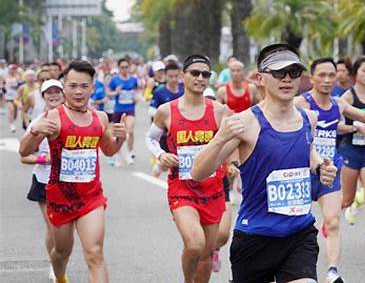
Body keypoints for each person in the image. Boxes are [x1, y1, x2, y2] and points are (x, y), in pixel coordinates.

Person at [192, 44, 337, 282]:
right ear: (260, 78)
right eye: (279, 73)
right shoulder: (245, 123)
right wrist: (220, 137)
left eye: (294, 72)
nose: (287, 79)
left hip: (299, 234)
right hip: (255, 237)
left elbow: (309, 152)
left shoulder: (309, 118)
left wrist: (321, 167)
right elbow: (198, 172)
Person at [294, 57, 365, 281]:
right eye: (321, 75)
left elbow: (363, 115)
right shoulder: (301, 103)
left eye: (331, 76)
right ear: (312, 78)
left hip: (330, 169)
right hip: (303, 172)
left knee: (335, 220)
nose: (326, 80)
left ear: (337, 77)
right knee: (298, 225)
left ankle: (333, 271)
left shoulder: (338, 103)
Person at [18, 60, 127, 283]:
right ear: (64, 86)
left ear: (93, 87)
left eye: (84, 86)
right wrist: (33, 131)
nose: (78, 91)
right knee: (61, 252)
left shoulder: (100, 118)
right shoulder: (53, 117)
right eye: (73, 85)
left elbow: (108, 150)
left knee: (94, 253)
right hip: (59, 198)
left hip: (91, 197)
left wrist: (121, 140)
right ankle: (59, 275)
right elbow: (23, 150)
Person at [145, 54, 233, 282]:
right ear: (184, 76)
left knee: (206, 254)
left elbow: (233, 143)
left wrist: (231, 163)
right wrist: (161, 155)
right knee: (194, 245)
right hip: (182, 188)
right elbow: (150, 138)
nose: (200, 78)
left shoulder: (220, 111)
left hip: (213, 189)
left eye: (205, 74)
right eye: (195, 73)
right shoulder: (166, 111)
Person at [19, 79, 65, 281]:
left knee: (65, 230)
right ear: (43, 96)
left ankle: (61, 259)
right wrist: (43, 158)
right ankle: (54, 266)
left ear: (64, 94)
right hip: (44, 180)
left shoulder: (75, 118)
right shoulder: (38, 121)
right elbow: (23, 154)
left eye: (57, 92)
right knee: (52, 226)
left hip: (70, 181)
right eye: (49, 93)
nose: (53, 96)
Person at [107, 57, 139, 163]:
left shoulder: (133, 80)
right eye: (122, 67)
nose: (124, 69)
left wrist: (136, 97)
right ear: (119, 68)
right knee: (117, 133)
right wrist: (115, 92)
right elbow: (108, 92)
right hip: (118, 109)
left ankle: (130, 152)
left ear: (129, 68)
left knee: (130, 130)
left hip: (130, 109)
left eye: (126, 67)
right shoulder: (115, 80)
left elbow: (137, 92)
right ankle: (117, 152)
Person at [5, 64, 22, 132]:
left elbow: (20, 85)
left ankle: (13, 120)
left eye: (14, 69)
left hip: (16, 97)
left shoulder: (17, 76)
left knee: (15, 113)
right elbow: (3, 85)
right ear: (9, 69)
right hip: (8, 96)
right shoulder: (6, 77)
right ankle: (12, 125)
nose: (13, 70)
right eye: (12, 69)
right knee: (11, 110)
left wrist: (15, 86)